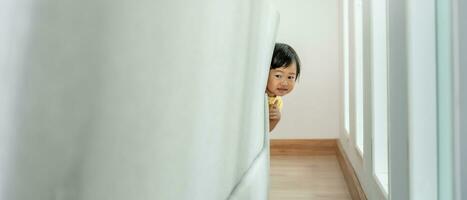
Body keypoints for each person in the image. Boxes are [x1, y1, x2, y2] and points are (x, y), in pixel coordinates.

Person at [266, 43, 301, 132]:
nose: (285, 83)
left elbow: (264, 132)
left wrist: (275, 120)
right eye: (278, 75)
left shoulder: (277, 103)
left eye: (290, 77)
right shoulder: (257, 93)